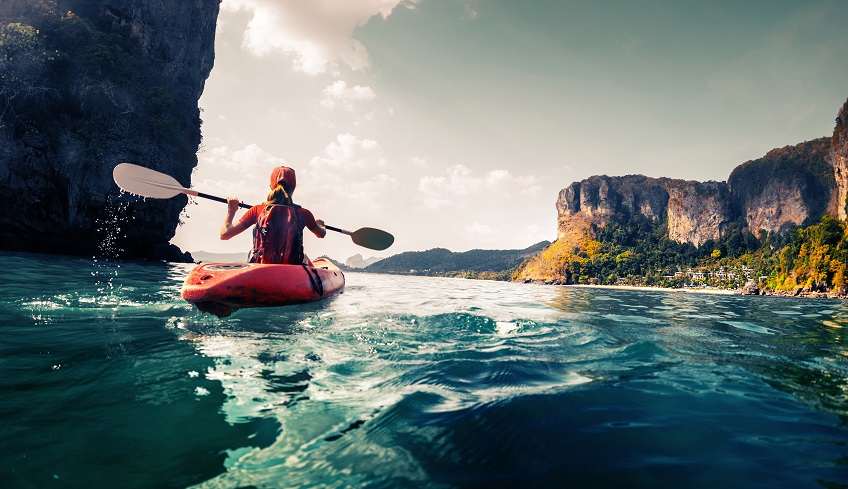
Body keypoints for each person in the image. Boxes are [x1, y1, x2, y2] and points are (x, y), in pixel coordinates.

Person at [220, 165, 326, 264]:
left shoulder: (257, 210)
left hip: (261, 268)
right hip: (293, 269)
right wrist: (320, 225)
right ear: (293, 188)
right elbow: (321, 234)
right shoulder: (304, 214)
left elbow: (225, 234)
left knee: (251, 253)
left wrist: (231, 210)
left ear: (271, 186)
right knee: (305, 258)